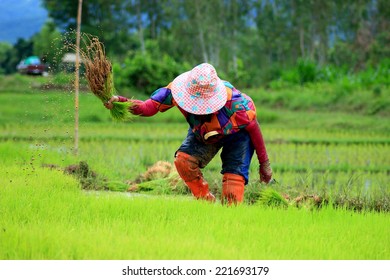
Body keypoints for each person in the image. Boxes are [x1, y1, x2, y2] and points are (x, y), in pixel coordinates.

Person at [104, 63, 272, 205]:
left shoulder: (238, 106)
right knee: (183, 161)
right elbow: (147, 108)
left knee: (233, 193)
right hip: (203, 132)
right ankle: (204, 202)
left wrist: (264, 165)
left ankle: (229, 221)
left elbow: (254, 129)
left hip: (237, 136)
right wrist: (121, 102)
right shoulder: (175, 91)